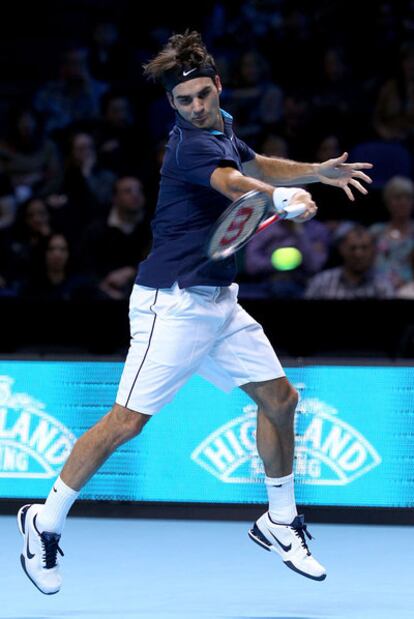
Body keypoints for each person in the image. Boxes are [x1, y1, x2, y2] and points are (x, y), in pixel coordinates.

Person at [17, 31, 372, 595]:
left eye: (203, 95)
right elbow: (235, 183)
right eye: (185, 101)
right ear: (173, 107)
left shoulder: (223, 124)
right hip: (173, 305)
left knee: (281, 399)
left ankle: (280, 521)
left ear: (217, 88)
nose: (197, 106)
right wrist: (280, 201)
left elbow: (254, 163)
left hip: (219, 303)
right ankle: (44, 521)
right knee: (125, 424)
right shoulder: (187, 146)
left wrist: (313, 173)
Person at [305, 224, 393, 299]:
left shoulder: (383, 285)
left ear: (373, 250)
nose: (358, 254)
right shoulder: (321, 283)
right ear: (342, 249)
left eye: (364, 248)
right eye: (352, 248)